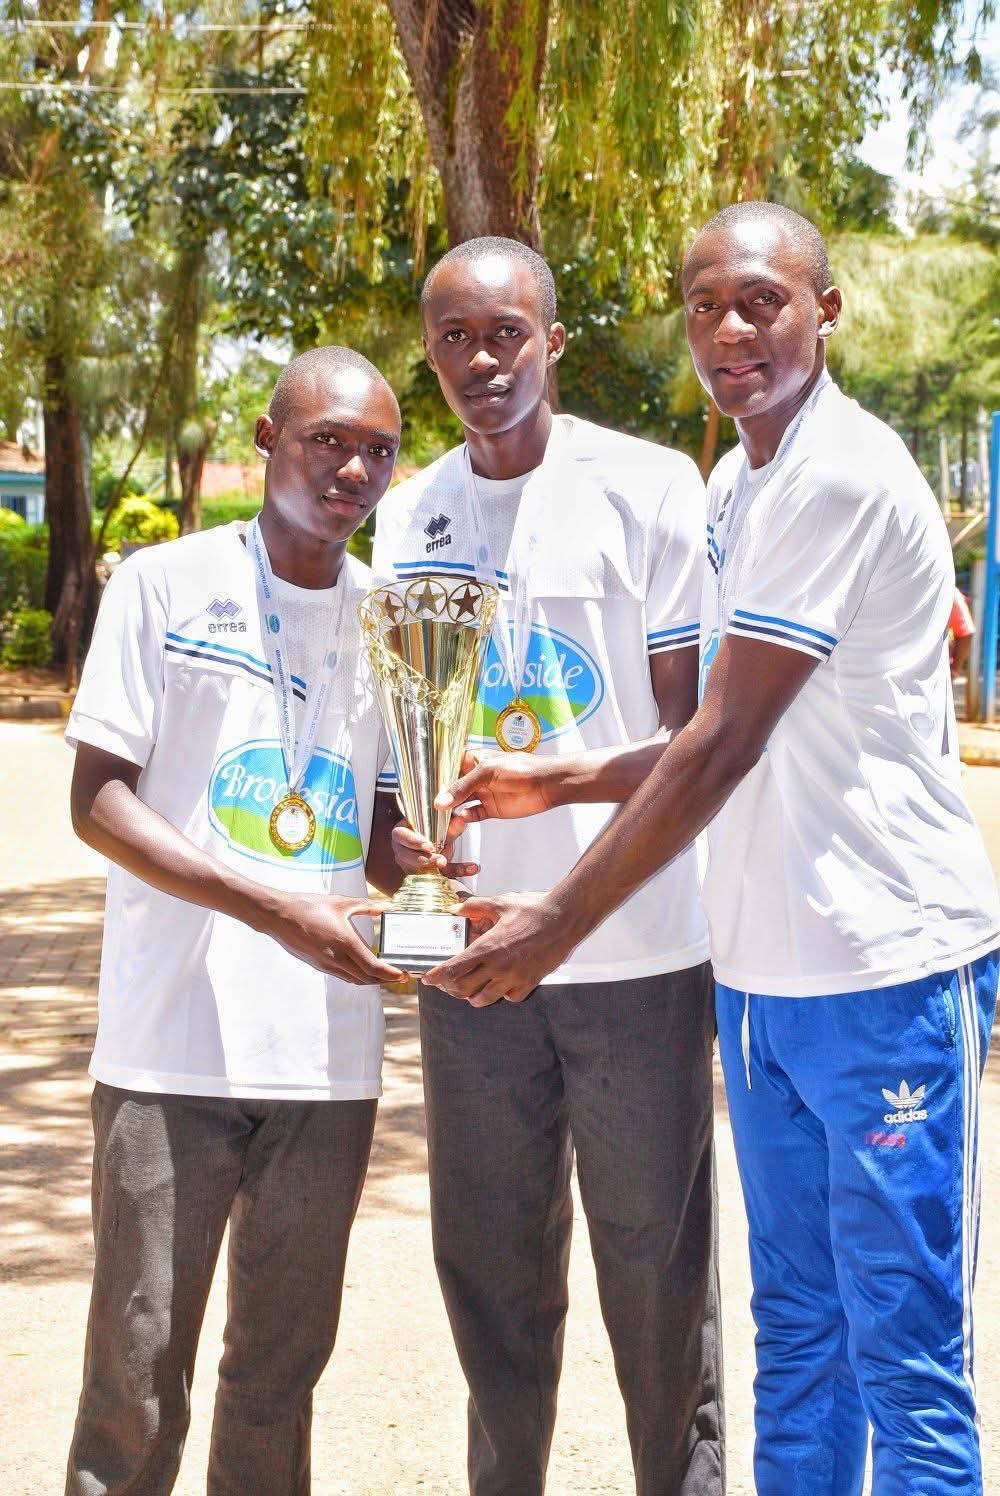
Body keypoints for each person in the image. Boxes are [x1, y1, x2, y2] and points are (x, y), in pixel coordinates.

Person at [427, 204, 1000, 1495]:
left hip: (887, 972)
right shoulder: (739, 482)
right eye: (704, 306)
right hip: (763, 980)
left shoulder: (842, 470)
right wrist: (558, 778)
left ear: (826, 311)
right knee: (797, 1333)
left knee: (906, 1351)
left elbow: (724, 740)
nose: (729, 332)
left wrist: (554, 922)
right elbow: (726, 732)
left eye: (762, 303)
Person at [373, 236, 723, 1496]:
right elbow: (394, 749)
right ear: (430, 353)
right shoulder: (412, 513)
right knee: (492, 1274)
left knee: (654, 1277)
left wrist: (555, 784)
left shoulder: (648, 489)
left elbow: (696, 740)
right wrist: (401, 850)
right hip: (472, 966)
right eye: (455, 338)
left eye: (506, 332)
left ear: (553, 340)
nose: (482, 360)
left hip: (632, 950)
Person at [64, 346, 408, 1495]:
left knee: (279, 1371)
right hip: (171, 1050)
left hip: (325, 1061)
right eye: (327, 440)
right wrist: (267, 906)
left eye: (376, 451)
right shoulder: (161, 585)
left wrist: (412, 863)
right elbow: (98, 801)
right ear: (267, 440)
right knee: (137, 1366)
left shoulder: (393, 623)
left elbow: (378, 840)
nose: (352, 467)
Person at [949, 585, 975, 680]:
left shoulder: (949, 592)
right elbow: (966, 632)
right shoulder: (950, 591)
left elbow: (966, 633)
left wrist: (954, 671)